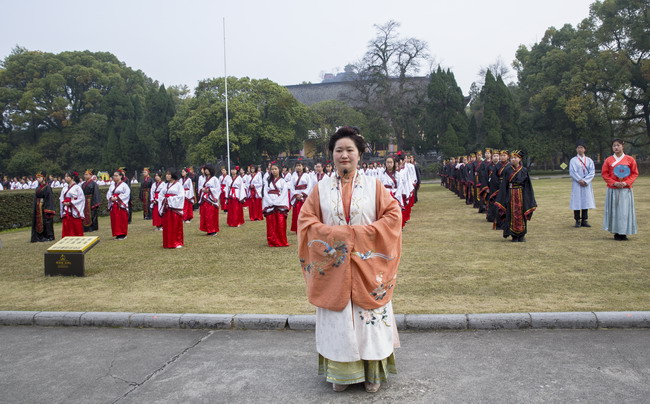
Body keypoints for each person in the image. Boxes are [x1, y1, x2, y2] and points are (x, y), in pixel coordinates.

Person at [298, 126, 402, 393]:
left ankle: (373, 373)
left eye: (350, 150)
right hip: (334, 270)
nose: (344, 155)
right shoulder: (319, 189)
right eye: (339, 150)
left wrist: (360, 235)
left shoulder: (375, 186)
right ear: (331, 155)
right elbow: (306, 222)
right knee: (339, 319)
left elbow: (393, 217)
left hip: (368, 266)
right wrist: (337, 237)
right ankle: (340, 372)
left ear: (360, 155)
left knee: (369, 319)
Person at [494, 150, 537, 242]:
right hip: (510, 194)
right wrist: (503, 198)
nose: (513, 159)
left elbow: (528, 186)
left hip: (521, 195)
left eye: (515, 158)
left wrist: (528, 199)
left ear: (520, 159)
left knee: (521, 214)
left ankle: (521, 235)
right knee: (510, 214)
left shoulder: (524, 170)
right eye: (512, 158)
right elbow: (504, 185)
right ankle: (513, 235)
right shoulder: (507, 170)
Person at [601, 138, 638, 240]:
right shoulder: (608, 160)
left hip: (625, 189)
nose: (616, 147)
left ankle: (624, 232)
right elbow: (605, 174)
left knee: (624, 211)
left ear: (622, 146)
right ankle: (616, 232)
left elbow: (634, 173)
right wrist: (614, 183)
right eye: (614, 146)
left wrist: (626, 182)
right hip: (613, 189)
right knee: (614, 210)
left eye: (618, 145)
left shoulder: (630, 159)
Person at [262, 162, 290, 247]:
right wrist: (270, 201)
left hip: (280, 203)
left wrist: (277, 202)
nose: (274, 171)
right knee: (271, 223)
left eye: (275, 169)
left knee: (280, 223)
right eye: (272, 169)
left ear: (279, 170)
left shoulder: (282, 181)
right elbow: (265, 192)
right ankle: (272, 241)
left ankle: (281, 240)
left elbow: (284, 193)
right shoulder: (267, 181)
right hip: (270, 203)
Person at [569, 141, 596, 227]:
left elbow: (592, 172)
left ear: (584, 149)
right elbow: (572, 171)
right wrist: (579, 180)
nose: (580, 149)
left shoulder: (589, 160)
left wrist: (586, 181)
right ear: (576, 149)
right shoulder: (573, 160)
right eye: (578, 147)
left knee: (586, 200)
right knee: (577, 201)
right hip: (577, 183)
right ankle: (577, 220)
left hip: (586, 184)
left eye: (581, 147)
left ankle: (584, 220)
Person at [160, 170, 185, 248]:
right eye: (166, 174)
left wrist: (170, 199)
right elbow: (161, 195)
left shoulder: (178, 185)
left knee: (175, 225)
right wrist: (164, 199)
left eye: (169, 174)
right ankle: (168, 242)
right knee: (167, 225)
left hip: (174, 208)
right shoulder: (165, 185)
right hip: (166, 208)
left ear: (173, 175)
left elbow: (181, 196)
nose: (167, 176)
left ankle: (177, 242)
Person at [31, 171, 56, 242]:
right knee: (39, 222)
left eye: (39, 177)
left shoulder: (47, 187)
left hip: (45, 207)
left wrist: (48, 208)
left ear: (43, 178)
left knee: (47, 222)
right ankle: (39, 236)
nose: (38, 179)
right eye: (37, 178)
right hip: (38, 207)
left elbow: (49, 198)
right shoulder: (38, 188)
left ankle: (49, 236)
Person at [60, 171, 85, 237]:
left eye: (67, 176)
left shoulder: (77, 188)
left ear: (72, 177)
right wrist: (63, 202)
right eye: (65, 176)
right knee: (67, 225)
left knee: (76, 225)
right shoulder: (65, 187)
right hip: (66, 209)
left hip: (74, 209)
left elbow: (81, 199)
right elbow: (61, 198)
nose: (65, 178)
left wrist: (71, 202)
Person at [107, 170, 130, 240]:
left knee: (121, 219)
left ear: (120, 176)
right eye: (114, 176)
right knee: (115, 220)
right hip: (114, 204)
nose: (115, 177)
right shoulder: (112, 185)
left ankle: (123, 234)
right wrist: (111, 198)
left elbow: (126, 194)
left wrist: (117, 198)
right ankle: (117, 234)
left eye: (116, 175)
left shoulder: (124, 185)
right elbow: (108, 193)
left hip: (120, 205)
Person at [289, 161, 312, 233]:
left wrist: (303, 194)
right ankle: (297, 228)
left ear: (303, 166)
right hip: (296, 196)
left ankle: (306, 227)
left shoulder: (307, 175)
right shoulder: (293, 175)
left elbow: (310, 185)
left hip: (304, 196)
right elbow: (291, 186)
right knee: (297, 213)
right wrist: (296, 195)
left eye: (299, 165)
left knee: (305, 212)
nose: (298, 167)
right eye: (297, 165)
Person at [199, 164, 221, 236]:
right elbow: (200, 187)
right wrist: (202, 189)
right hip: (204, 199)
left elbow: (218, 189)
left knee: (211, 215)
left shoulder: (215, 179)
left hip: (211, 199)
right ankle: (207, 229)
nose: (206, 171)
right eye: (205, 169)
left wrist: (209, 190)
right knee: (205, 215)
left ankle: (213, 230)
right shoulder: (203, 178)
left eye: (207, 169)